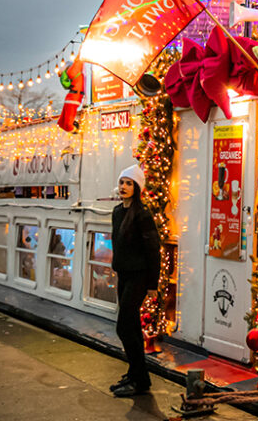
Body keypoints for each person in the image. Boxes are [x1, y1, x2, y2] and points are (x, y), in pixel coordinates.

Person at [109, 164, 161, 397]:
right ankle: (136, 375)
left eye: (129, 183)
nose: (123, 187)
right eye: (122, 182)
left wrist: (152, 284)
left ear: (137, 188)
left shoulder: (142, 214)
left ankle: (140, 378)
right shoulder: (118, 212)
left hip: (139, 276)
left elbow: (153, 250)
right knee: (131, 327)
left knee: (124, 326)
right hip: (124, 274)